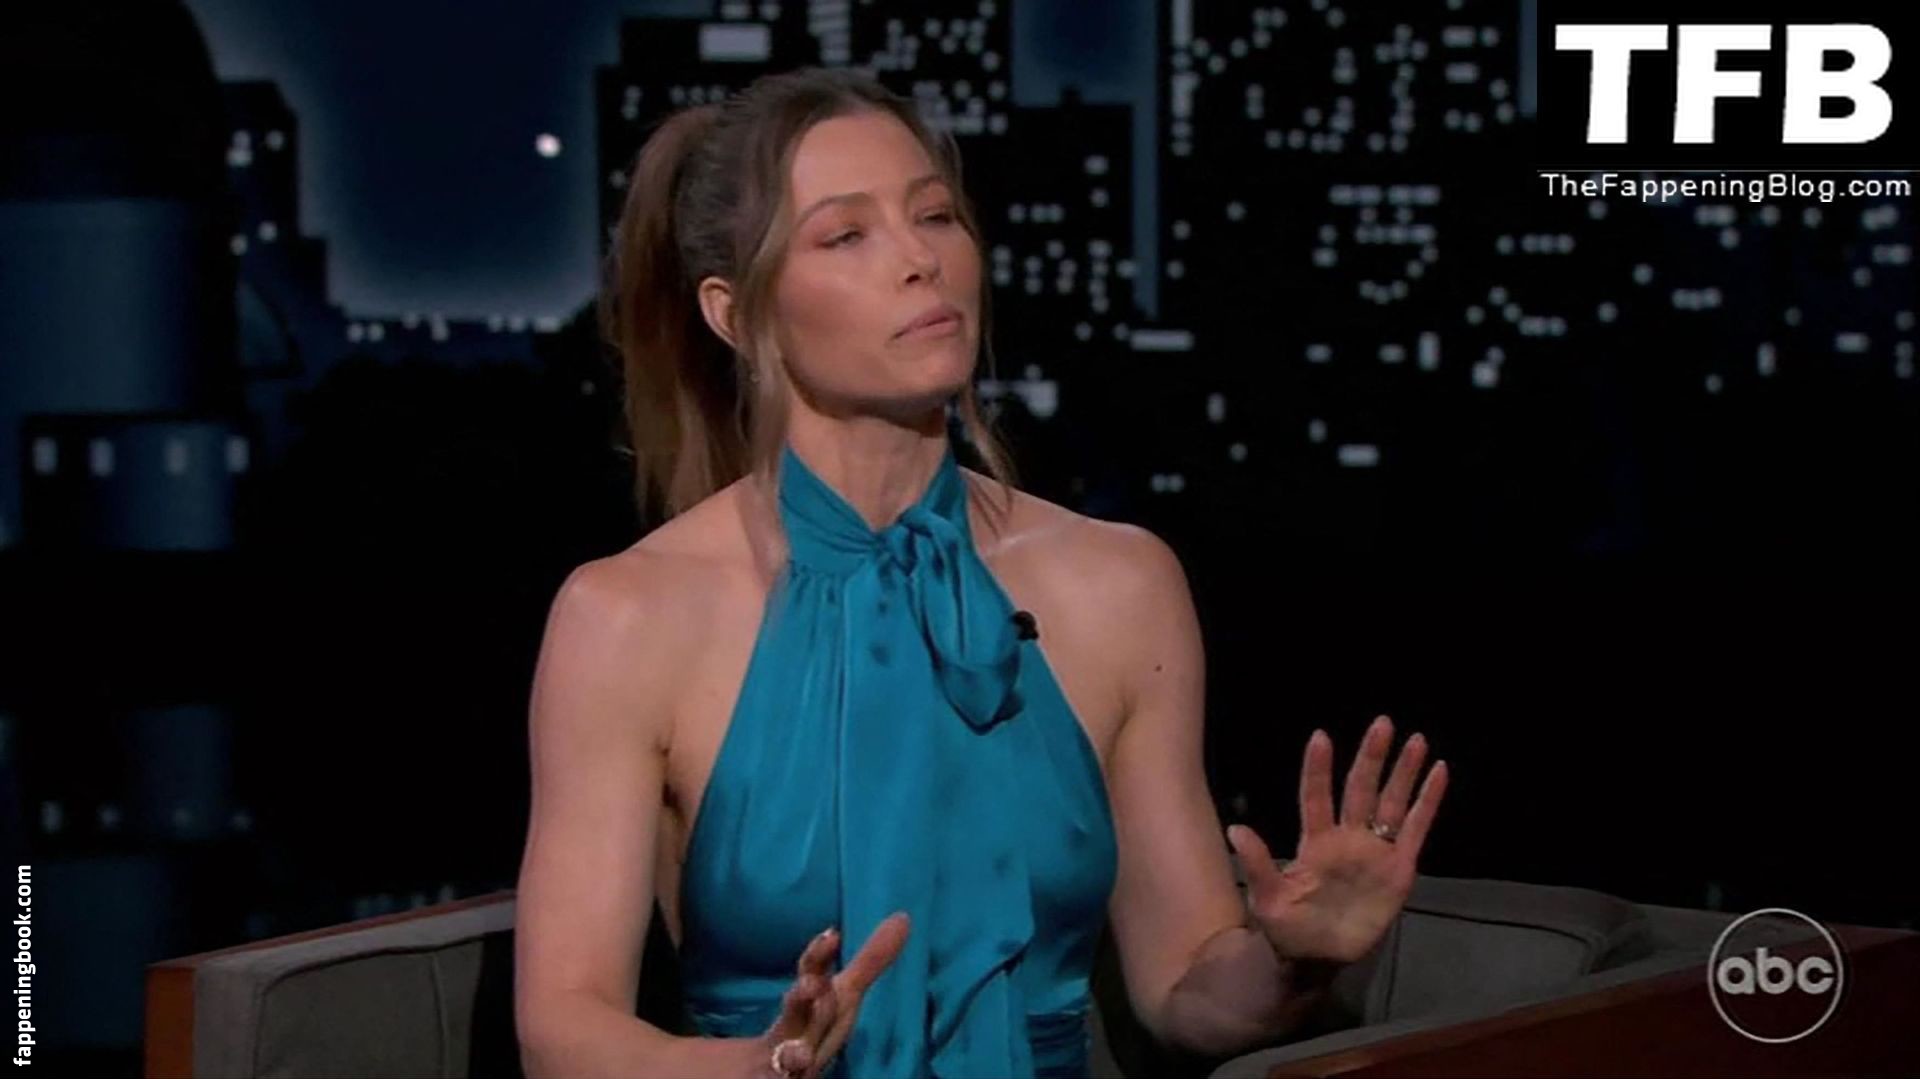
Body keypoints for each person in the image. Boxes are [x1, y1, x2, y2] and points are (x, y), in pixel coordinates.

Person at [512, 66, 1450, 1079]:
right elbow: (564, 1029)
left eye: (935, 216)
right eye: (846, 235)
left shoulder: (1119, 584)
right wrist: (758, 1066)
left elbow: (1186, 991)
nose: (921, 259)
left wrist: (1293, 961)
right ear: (735, 314)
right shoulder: (628, 615)